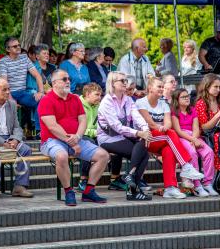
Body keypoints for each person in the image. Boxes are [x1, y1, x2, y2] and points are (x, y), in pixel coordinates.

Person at [38, 69, 110, 206]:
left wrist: (77, 136)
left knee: (103, 156)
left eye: (68, 79)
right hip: (52, 141)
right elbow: (52, 127)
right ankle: (69, 192)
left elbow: (83, 121)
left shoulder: (75, 98)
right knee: (61, 156)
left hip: (76, 139)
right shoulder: (46, 100)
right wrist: (71, 142)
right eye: (64, 79)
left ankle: (89, 191)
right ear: (54, 83)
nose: (68, 81)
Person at [136, 77, 204, 199]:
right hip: (145, 139)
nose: (162, 89)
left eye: (162, 87)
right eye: (159, 86)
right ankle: (186, 165)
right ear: (150, 88)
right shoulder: (141, 102)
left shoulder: (164, 104)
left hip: (162, 137)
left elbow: (168, 123)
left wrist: (164, 127)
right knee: (170, 135)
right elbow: (150, 123)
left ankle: (170, 188)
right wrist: (160, 127)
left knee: (168, 149)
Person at [98, 72, 153, 201]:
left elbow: (137, 117)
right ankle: (133, 189)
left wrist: (145, 130)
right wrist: (139, 133)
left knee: (144, 147)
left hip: (124, 135)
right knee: (140, 152)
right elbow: (116, 126)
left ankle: (130, 177)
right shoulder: (106, 101)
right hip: (108, 138)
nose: (125, 83)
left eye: (125, 80)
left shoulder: (127, 99)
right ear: (112, 83)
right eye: (122, 81)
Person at [0, 78, 34, 198]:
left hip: (10, 138)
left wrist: (15, 139)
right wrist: (2, 143)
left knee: (26, 150)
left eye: (9, 89)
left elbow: (17, 126)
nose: (8, 92)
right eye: (4, 90)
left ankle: (20, 186)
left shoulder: (12, 104)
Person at [171, 88, 217, 197]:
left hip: (194, 136)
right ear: (177, 99)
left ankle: (207, 183)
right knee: (192, 153)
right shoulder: (174, 112)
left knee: (209, 152)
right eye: (183, 97)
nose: (187, 98)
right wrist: (192, 140)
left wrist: (195, 138)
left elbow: (196, 127)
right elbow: (178, 131)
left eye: (187, 96)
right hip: (182, 137)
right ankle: (197, 185)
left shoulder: (192, 110)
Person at [0, 37, 44, 132]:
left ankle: (38, 131)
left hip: (23, 93)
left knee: (42, 99)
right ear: (7, 49)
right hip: (8, 93)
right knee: (8, 104)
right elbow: (3, 82)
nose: (18, 47)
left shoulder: (24, 58)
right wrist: (9, 98)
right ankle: (9, 133)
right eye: (15, 46)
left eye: (19, 45)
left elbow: (37, 75)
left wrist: (40, 92)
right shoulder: (3, 61)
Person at [77, 83, 102, 191]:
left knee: (113, 143)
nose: (99, 98)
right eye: (97, 95)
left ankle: (115, 178)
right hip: (80, 135)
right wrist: (94, 132)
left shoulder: (100, 105)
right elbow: (76, 127)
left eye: (100, 95)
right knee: (88, 145)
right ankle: (83, 179)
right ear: (87, 94)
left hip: (96, 135)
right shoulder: (77, 104)